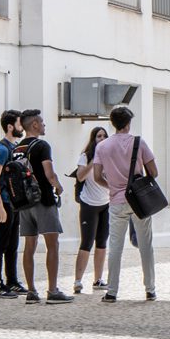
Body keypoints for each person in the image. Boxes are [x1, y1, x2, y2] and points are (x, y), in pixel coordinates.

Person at [91, 105, 158, 302]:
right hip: (139, 201)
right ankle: (150, 289)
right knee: (146, 245)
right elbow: (154, 172)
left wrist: (112, 185)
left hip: (116, 201)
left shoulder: (102, 147)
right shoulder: (139, 142)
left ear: (113, 124)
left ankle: (112, 291)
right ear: (128, 124)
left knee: (115, 246)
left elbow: (96, 176)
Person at [17, 108, 72, 303]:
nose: (44, 125)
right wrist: (58, 186)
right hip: (43, 200)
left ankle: (31, 291)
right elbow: (49, 173)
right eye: (42, 122)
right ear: (34, 125)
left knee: (29, 246)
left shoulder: (18, 148)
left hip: (24, 203)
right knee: (52, 246)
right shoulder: (42, 145)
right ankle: (52, 290)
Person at [0, 109, 25, 298]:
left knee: (12, 245)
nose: (22, 127)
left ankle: (12, 281)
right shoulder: (1, 149)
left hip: (13, 204)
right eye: (19, 124)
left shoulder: (13, 148)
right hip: (2, 203)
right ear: (10, 127)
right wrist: (0, 206)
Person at [71, 124, 110, 296]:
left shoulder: (111, 156)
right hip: (89, 204)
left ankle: (98, 279)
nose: (102, 139)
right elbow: (80, 176)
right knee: (86, 242)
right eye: (99, 136)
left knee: (102, 243)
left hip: (106, 203)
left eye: (104, 136)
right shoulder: (85, 156)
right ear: (94, 139)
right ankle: (78, 281)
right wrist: (94, 162)